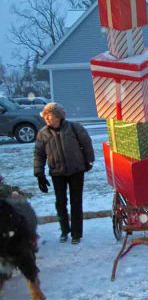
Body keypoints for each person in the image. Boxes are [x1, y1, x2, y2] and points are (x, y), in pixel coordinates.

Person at [33, 103, 95, 244]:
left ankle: (76, 233)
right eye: (45, 116)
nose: (48, 119)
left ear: (59, 116)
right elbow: (39, 154)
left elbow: (87, 144)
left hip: (76, 170)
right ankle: (64, 231)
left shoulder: (74, 128)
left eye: (51, 116)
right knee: (60, 203)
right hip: (57, 172)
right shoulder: (43, 133)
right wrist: (39, 174)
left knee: (76, 202)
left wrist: (89, 161)